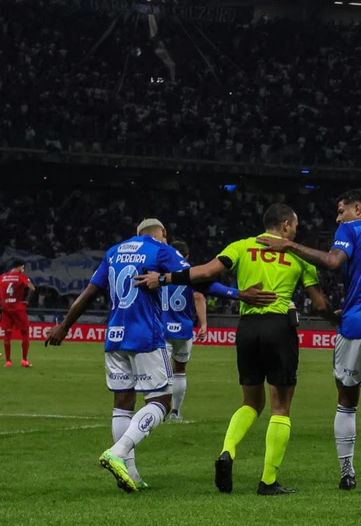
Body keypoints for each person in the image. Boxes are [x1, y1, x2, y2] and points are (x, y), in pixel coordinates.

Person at [47, 218, 272, 493]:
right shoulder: (160, 250)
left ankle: (129, 472)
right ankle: (117, 452)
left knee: (122, 404)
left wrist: (64, 326)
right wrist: (238, 294)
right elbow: (197, 279)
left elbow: (90, 292)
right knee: (162, 402)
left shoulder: (114, 251)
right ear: (163, 233)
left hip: (115, 335)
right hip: (146, 336)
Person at [142, 204, 332, 496]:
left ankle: (227, 450)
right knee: (280, 406)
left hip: (247, 330)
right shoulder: (297, 252)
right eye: (294, 225)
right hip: (279, 327)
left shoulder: (242, 246)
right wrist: (338, 318)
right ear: (284, 225)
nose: (296, 230)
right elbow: (318, 305)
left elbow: (204, 273)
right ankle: (268, 481)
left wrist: (164, 278)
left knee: (251, 403)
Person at [256, 190, 361, 496]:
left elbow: (332, 261)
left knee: (347, 402)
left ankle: (347, 473)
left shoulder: (351, 229)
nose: (338, 218)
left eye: (341, 211)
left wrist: (289, 245)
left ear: (356, 208)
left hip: (356, 325)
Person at [158, 241, 207, 422]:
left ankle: (159, 409)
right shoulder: (190, 273)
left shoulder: (160, 273)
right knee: (180, 371)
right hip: (184, 329)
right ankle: (175, 413)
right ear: (186, 257)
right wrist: (203, 324)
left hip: (162, 328)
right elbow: (198, 296)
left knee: (163, 372)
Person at [1, 259, 33, 368]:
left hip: (6, 308)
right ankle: (24, 360)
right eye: (22, 268)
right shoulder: (20, 276)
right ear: (18, 267)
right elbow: (32, 288)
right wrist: (27, 300)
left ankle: (8, 361)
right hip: (18, 308)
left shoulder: (2, 277)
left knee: (7, 335)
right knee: (25, 333)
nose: (23, 270)